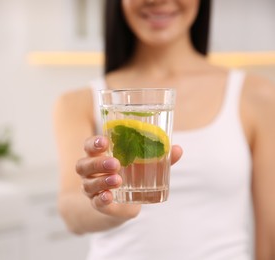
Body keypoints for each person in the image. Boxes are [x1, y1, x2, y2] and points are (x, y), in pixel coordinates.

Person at [53, 0, 275, 259]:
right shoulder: (78, 101)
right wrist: (108, 204)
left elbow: (270, 234)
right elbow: (71, 214)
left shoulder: (259, 95)